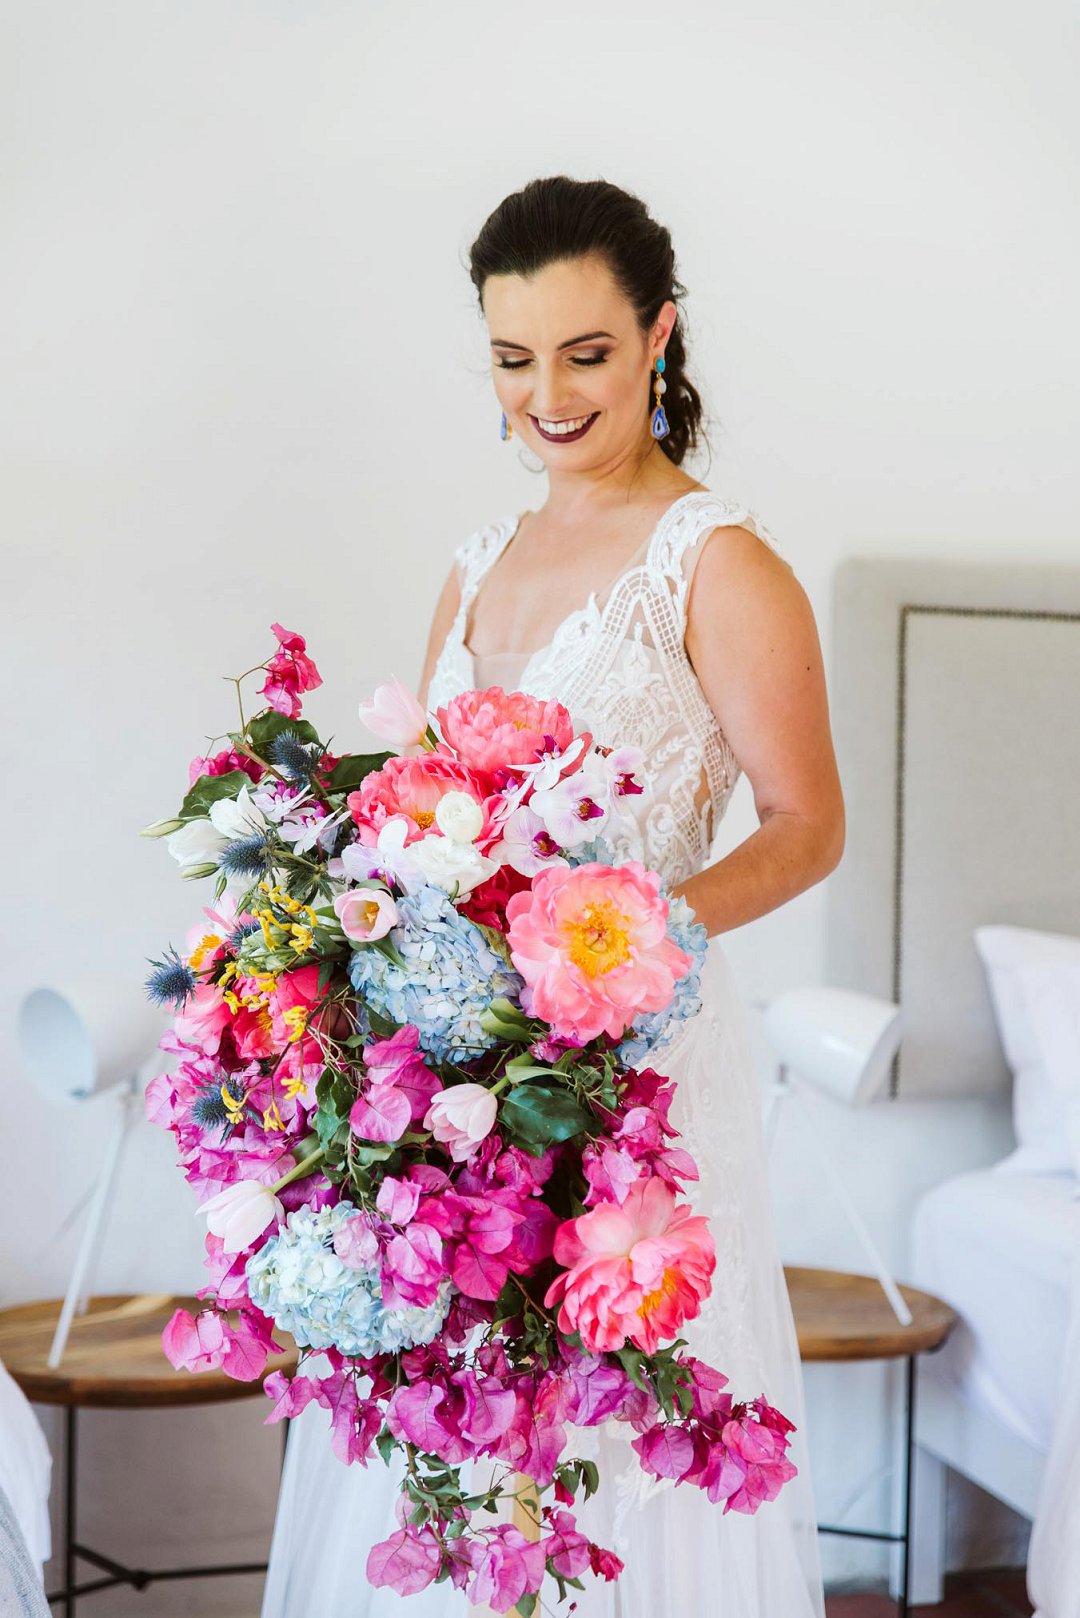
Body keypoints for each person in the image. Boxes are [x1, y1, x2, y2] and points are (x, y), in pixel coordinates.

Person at [262, 175, 842, 1618]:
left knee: (614, 1426)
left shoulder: (721, 563)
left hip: (638, 1075)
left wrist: (647, 943)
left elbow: (807, 824)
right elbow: (411, 813)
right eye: (516, 360)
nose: (550, 395)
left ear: (659, 334)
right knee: (458, 1439)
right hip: (461, 1080)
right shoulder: (474, 564)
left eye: (586, 352)